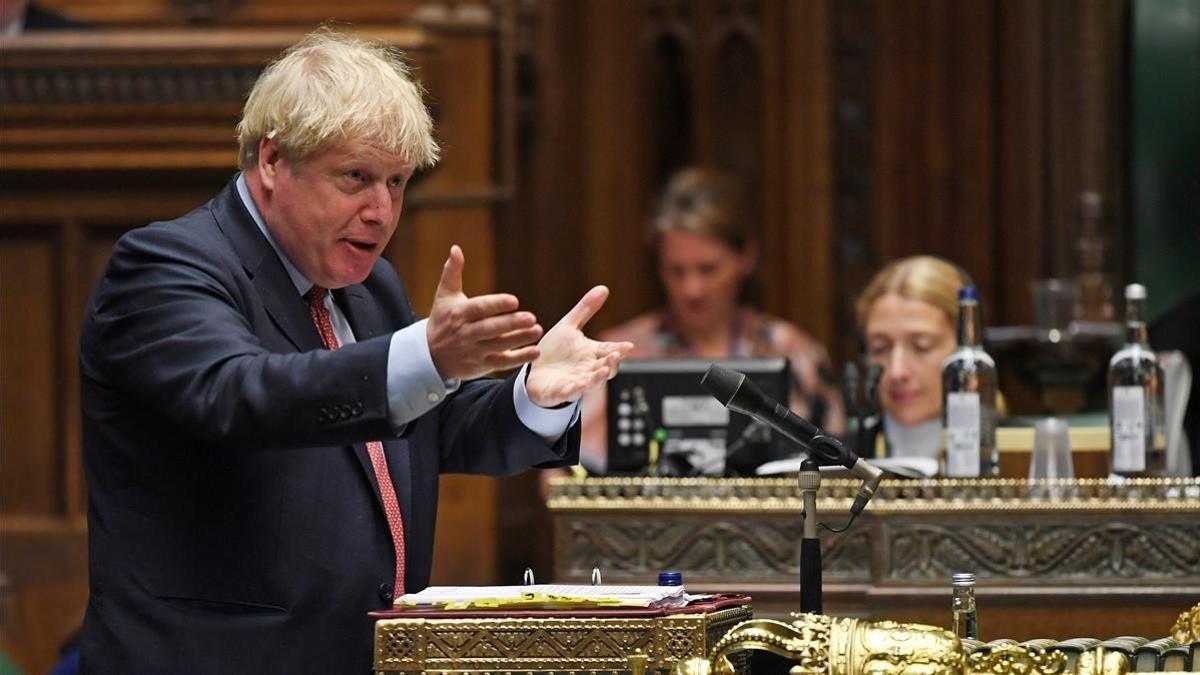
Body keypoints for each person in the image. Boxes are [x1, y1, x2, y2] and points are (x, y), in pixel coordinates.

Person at [77, 30, 632, 674]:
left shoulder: (370, 287)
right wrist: (427, 358)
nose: (381, 211)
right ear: (272, 162)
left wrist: (536, 393)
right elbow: (243, 397)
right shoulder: (166, 267)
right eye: (357, 178)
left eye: (397, 183)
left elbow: (421, 421)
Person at [579, 167, 843, 473]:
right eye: (676, 271)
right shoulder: (621, 353)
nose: (692, 289)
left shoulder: (794, 352)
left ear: (746, 257)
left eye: (708, 269)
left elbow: (838, 467)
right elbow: (561, 475)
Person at [855, 255, 971, 459]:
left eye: (921, 346)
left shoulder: (1019, 452)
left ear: (967, 346)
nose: (896, 372)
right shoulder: (832, 459)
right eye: (880, 348)